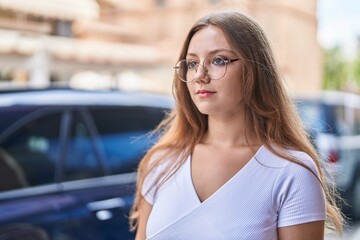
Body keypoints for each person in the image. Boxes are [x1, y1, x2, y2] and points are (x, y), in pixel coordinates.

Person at [130, 11, 344, 240]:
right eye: (192, 63)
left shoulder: (292, 172)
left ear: (255, 70)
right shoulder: (162, 162)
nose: (200, 75)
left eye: (218, 60)